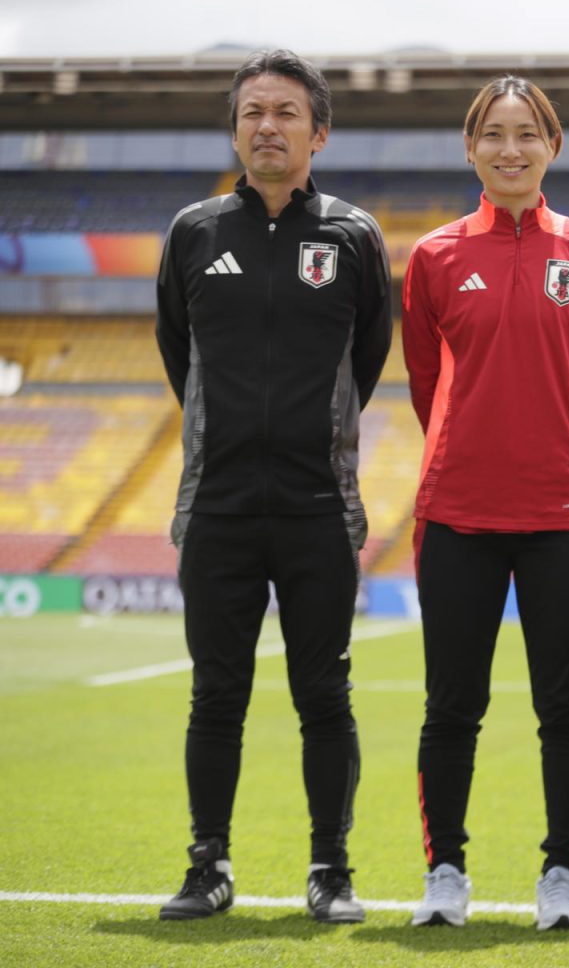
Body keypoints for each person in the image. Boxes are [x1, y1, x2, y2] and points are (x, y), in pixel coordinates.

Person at [154, 49, 392, 923]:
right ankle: (207, 865)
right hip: (215, 505)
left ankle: (330, 868)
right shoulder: (192, 233)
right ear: (234, 128)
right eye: (253, 111)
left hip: (317, 507)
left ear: (317, 132)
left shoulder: (353, 237)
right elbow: (179, 354)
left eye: (286, 112)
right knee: (216, 693)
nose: (268, 125)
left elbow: (367, 357)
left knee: (323, 693)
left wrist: (307, 441)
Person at [401, 75, 569, 930]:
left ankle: (562, 874)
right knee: (451, 704)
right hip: (457, 509)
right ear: (471, 150)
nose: (510, 148)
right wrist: (478, 448)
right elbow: (428, 383)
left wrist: (551, 448)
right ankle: (446, 873)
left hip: (566, 513)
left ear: (553, 147)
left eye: (526, 133)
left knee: (566, 704)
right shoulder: (433, 257)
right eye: (493, 134)